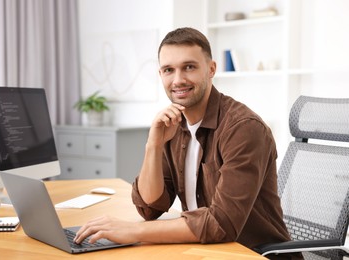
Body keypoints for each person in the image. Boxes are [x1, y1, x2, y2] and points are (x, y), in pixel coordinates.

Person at [74, 27, 295, 259]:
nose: (178, 80)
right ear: (161, 74)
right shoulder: (174, 126)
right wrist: (154, 144)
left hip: (252, 254)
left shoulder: (243, 128)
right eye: (169, 70)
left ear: (211, 69)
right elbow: (150, 208)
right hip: (204, 251)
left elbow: (222, 223)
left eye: (189, 67)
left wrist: (133, 231)